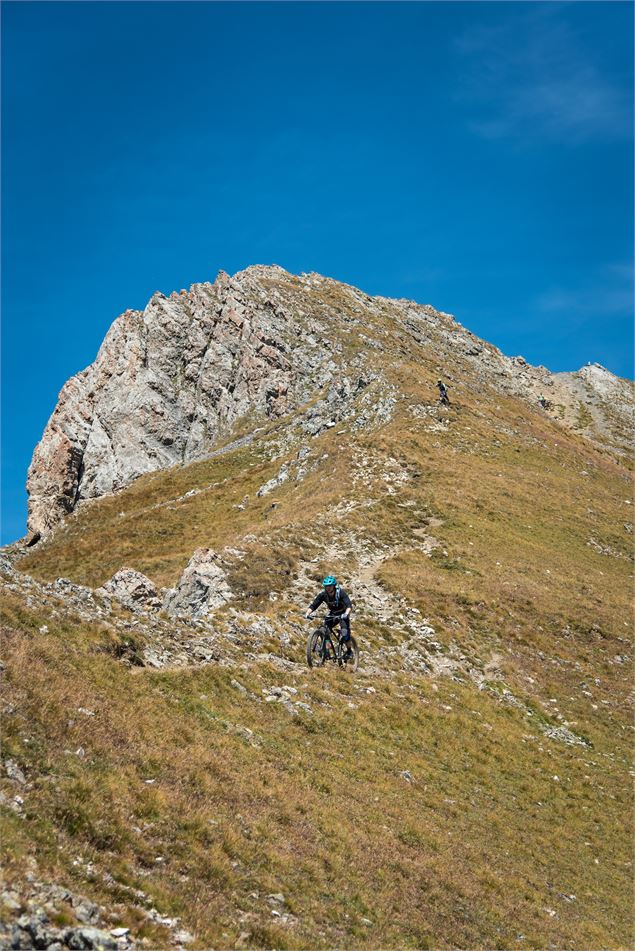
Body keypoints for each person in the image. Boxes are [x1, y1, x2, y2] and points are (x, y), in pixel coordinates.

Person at [305, 576, 353, 655]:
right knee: (325, 631)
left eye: (330, 586)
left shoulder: (341, 593)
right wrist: (307, 613)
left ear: (334, 586)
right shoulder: (323, 595)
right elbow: (314, 605)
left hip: (343, 614)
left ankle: (349, 651)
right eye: (326, 586)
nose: (328, 588)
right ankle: (327, 650)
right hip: (333, 614)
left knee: (345, 633)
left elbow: (349, 605)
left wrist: (346, 614)